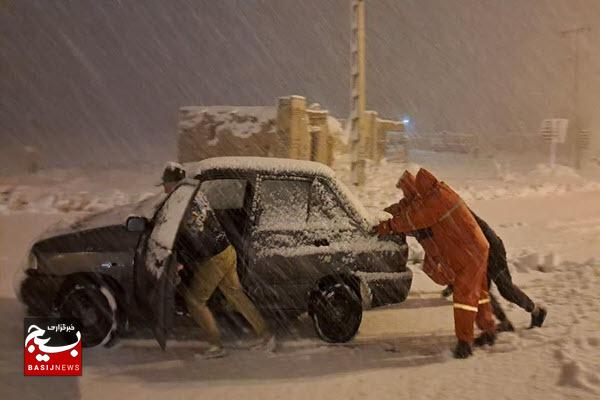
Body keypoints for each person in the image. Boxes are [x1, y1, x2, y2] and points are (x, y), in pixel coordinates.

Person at [160, 163, 275, 358]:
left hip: (214, 256)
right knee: (236, 296)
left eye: (165, 184)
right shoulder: (193, 194)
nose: (164, 188)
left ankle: (215, 346)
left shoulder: (184, 201)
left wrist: (177, 256)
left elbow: (192, 232)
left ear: (172, 184)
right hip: (226, 250)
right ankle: (266, 335)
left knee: (195, 301)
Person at [378, 168, 495, 359]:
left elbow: (413, 217)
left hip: (469, 253)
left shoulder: (436, 200)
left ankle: (465, 343)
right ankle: (488, 331)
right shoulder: (436, 195)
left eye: (406, 189)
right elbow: (406, 209)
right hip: (473, 249)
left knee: (464, 297)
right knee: (479, 293)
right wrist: (382, 215)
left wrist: (388, 225)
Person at [441, 213, 547, 338]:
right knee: (483, 292)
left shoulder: (449, 208)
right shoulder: (442, 211)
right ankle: (504, 322)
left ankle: (537, 312)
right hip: (476, 253)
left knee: (506, 289)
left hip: (491, 249)